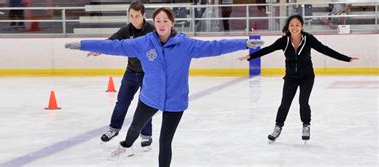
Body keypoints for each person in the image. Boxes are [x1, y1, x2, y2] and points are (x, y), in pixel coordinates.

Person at [66, 7, 264, 167]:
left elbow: (214, 46)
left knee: (164, 142)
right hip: (150, 97)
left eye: (165, 21)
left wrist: (244, 43)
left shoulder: (185, 44)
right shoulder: (144, 43)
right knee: (135, 126)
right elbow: (115, 46)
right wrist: (84, 44)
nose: (161, 24)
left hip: (175, 101)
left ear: (172, 23)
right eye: (158, 21)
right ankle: (126, 145)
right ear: (154, 23)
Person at [238, 15, 358, 143]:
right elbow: (267, 50)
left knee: (303, 102)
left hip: (307, 77)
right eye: (292, 25)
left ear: (302, 26)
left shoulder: (309, 39)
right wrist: (250, 57)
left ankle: (306, 126)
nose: (294, 27)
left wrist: (346, 58)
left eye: (297, 25)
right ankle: (278, 127)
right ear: (288, 27)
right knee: (285, 104)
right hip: (290, 78)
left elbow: (325, 50)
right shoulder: (283, 41)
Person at [88, 1, 156, 150]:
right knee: (122, 102)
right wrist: (98, 49)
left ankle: (146, 135)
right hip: (131, 72)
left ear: (143, 15)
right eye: (131, 16)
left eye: (137, 16)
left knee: (145, 106)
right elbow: (111, 42)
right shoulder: (126, 30)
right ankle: (114, 129)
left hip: (148, 75)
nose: (133, 19)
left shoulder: (152, 30)